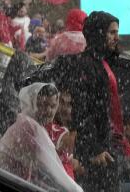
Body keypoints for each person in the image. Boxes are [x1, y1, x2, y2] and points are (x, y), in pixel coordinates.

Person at [53, 11, 124, 192]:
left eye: (117, 32)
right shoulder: (86, 65)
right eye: (112, 33)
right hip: (93, 156)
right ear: (99, 34)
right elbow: (82, 111)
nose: (117, 37)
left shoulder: (102, 63)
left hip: (102, 149)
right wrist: (94, 149)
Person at [0, 83, 83, 192]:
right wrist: (75, 189)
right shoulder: (28, 127)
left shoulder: (30, 123)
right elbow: (50, 168)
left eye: (52, 106)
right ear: (33, 103)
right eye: (44, 105)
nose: (49, 111)